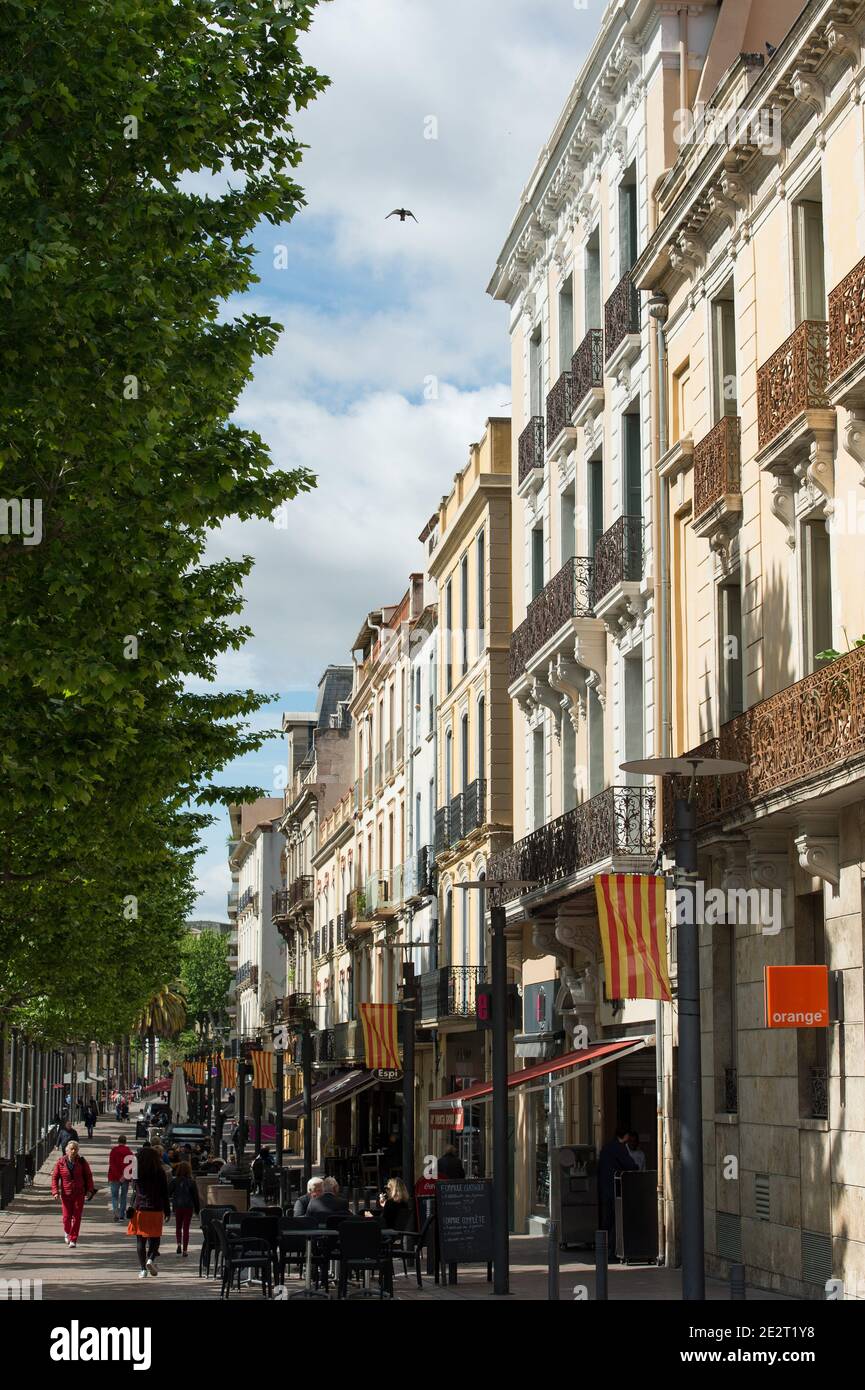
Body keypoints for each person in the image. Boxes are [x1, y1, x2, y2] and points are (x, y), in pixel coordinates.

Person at [127, 1143, 171, 1279]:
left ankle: (142, 1270)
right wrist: (167, 1211)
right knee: (155, 1237)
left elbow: (134, 1187)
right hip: (156, 1208)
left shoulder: (137, 1172)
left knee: (140, 1240)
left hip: (140, 1208)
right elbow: (165, 1193)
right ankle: (151, 1259)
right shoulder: (160, 1172)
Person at [598, 1127, 638, 1258]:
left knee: (606, 1219)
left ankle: (602, 1248)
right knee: (616, 1219)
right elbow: (630, 1165)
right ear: (625, 1136)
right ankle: (612, 1250)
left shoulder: (606, 1147)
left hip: (604, 1188)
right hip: (615, 1188)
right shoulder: (619, 1148)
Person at [51, 1140, 95, 1248]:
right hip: (66, 1194)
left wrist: (90, 1190)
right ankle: (67, 1232)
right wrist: (55, 1191)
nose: (73, 1151)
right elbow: (55, 1178)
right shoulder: (60, 1162)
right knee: (66, 1218)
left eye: (75, 1149)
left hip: (78, 1194)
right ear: (67, 1150)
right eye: (71, 1149)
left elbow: (88, 1176)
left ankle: (73, 1239)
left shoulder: (82, 1162)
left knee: (77, 1217)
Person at [169, 1160, 200, 1257]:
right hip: (188, 1206)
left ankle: (178, 1244)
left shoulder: (174, 1181)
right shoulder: (192, 1182)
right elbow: (196, 1197)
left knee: (178, 1227)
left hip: (178, 1206)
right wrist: (197, 1209)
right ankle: (185, 1250)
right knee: (186, 1228)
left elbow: (168, 1193)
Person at [108, 1134, 135, 1223]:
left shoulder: (114, 1151)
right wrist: (125, 1176)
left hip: (115, 1177)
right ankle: (122, 1215)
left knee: (114, 1196)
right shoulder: (129, 1152)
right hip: (125, 1177)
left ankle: (116, 1213)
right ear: (125, 1142)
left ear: (118, 1141)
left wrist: (118, 1176)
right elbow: (131, 1166)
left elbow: (112, 1164)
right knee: (124, 1196)